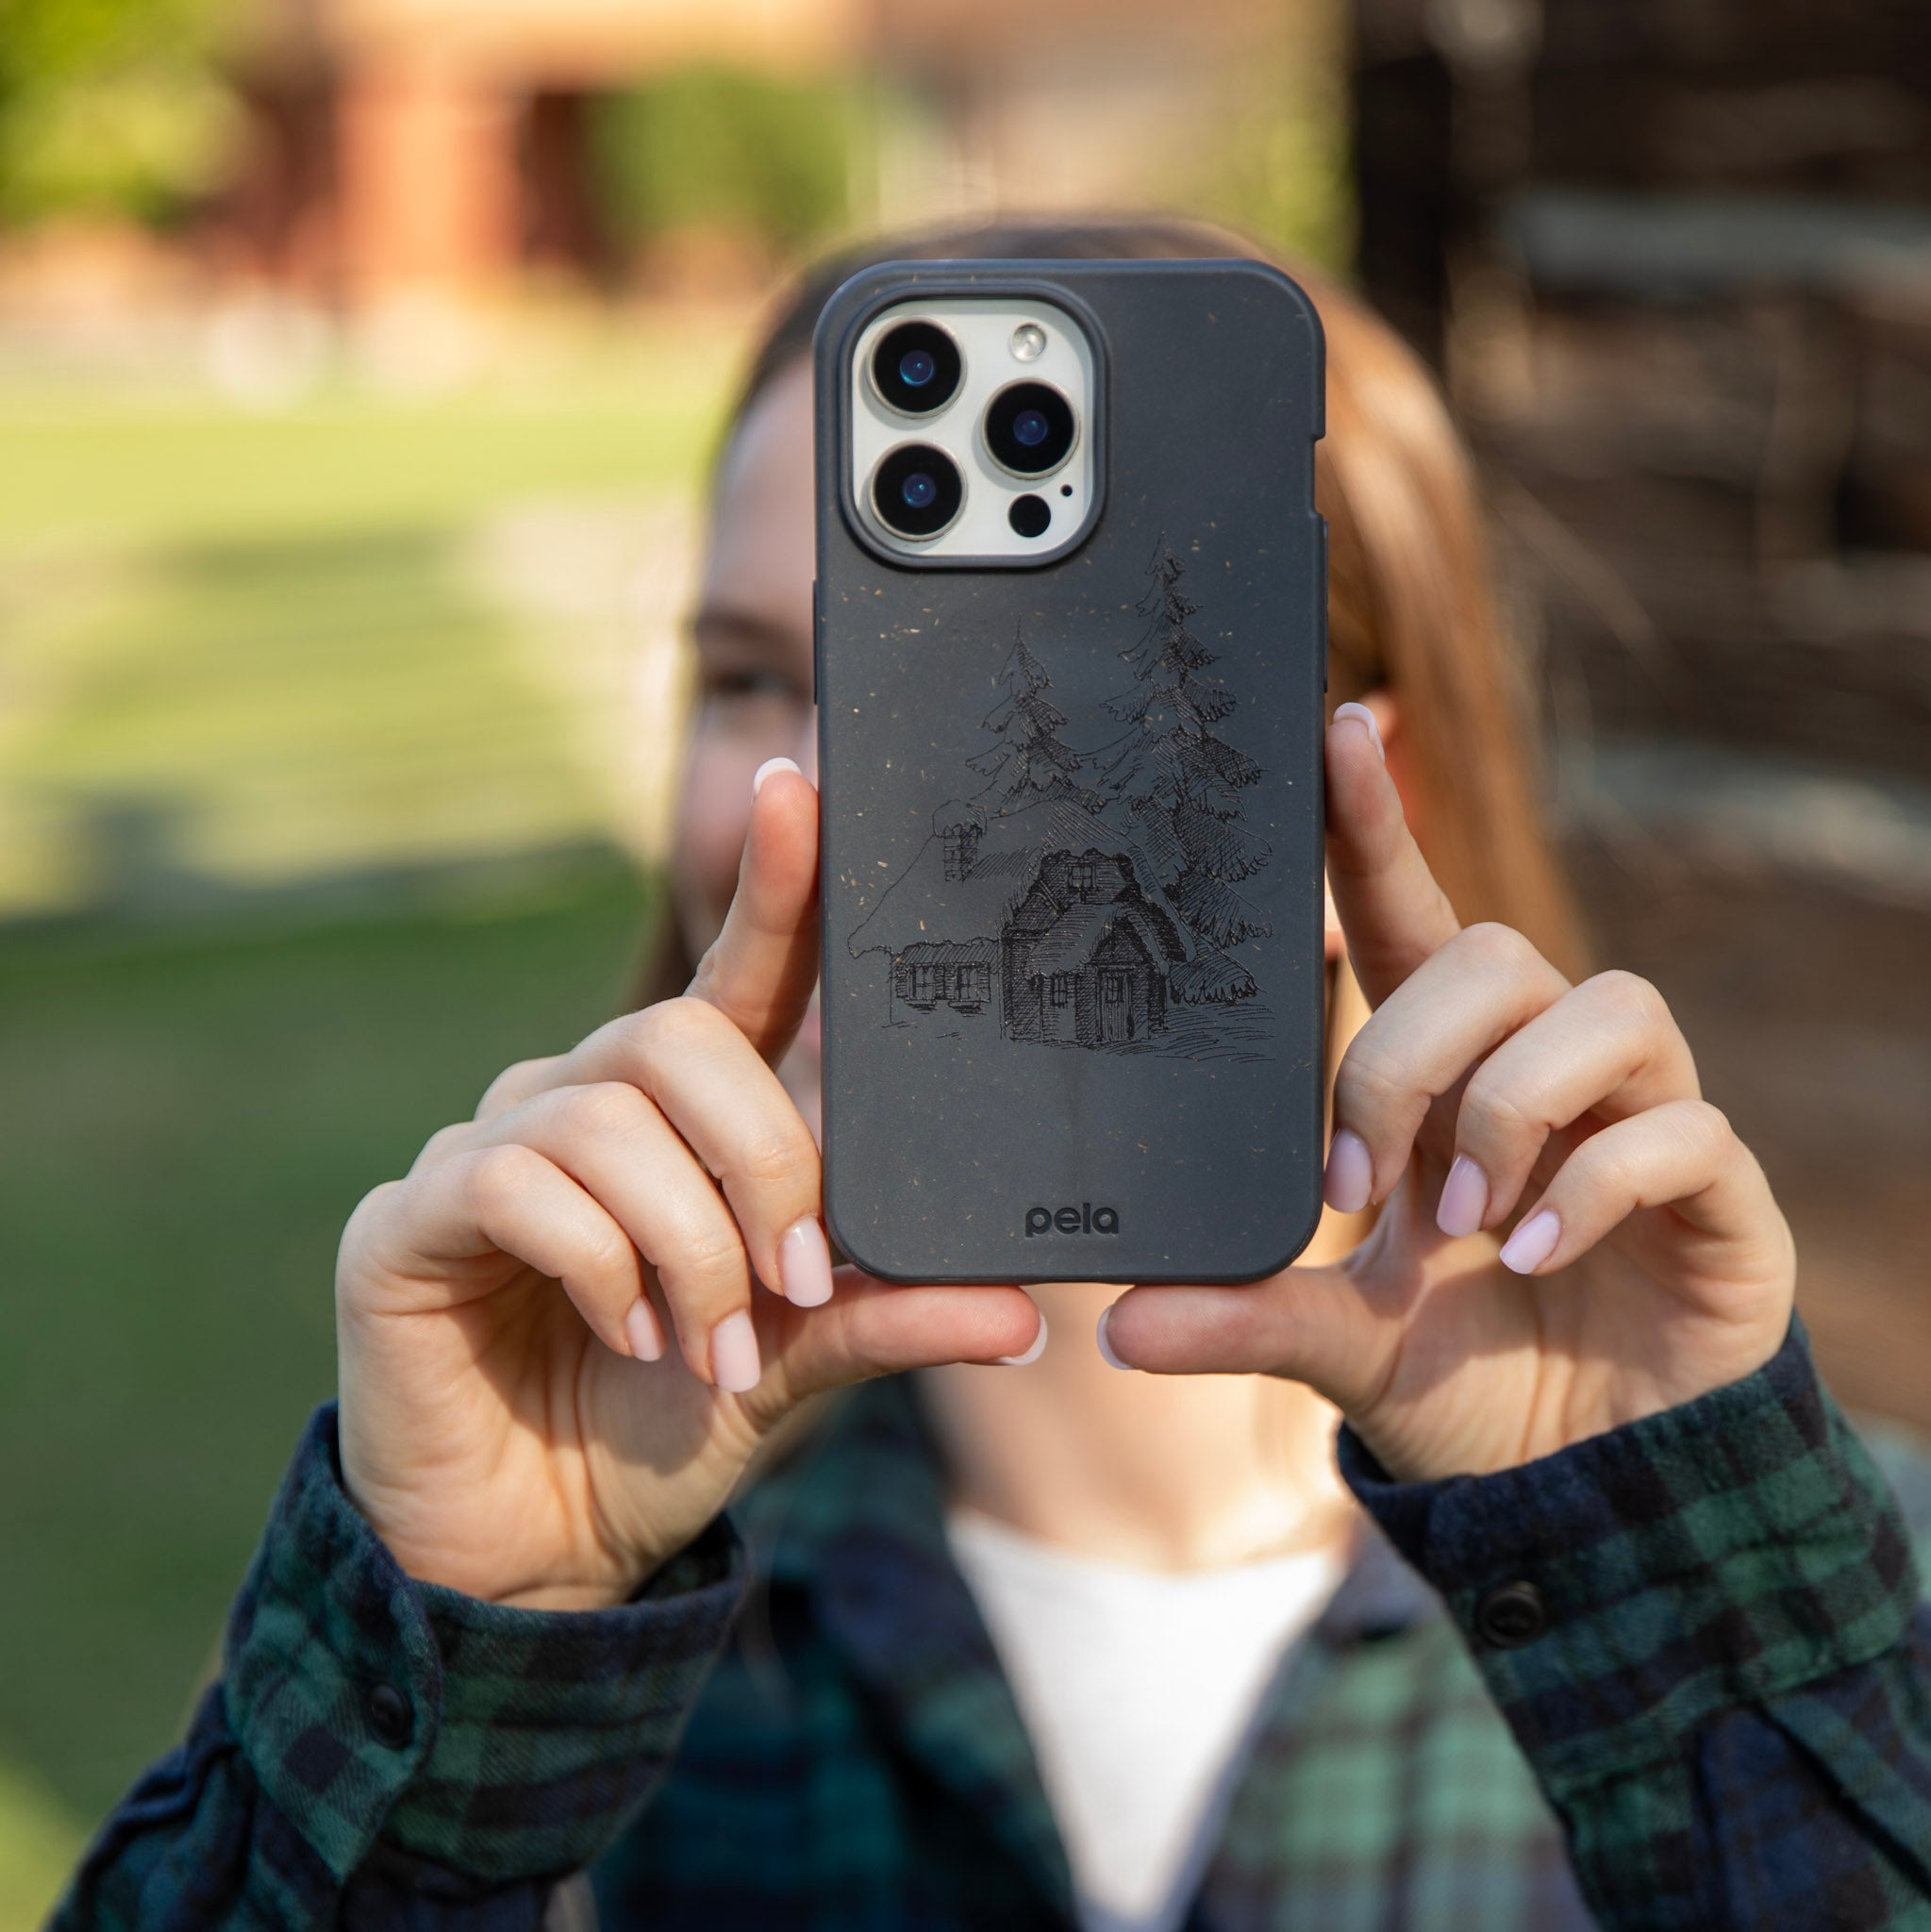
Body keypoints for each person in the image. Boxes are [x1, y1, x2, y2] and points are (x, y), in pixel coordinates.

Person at [55, 219, 1931, 1932]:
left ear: (1364, 789)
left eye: (960, 671)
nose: (840, 793)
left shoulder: (1813, 1597)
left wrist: (1673, 1596)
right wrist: (459, 1672)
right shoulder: (599, 1629)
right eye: (746, 679)